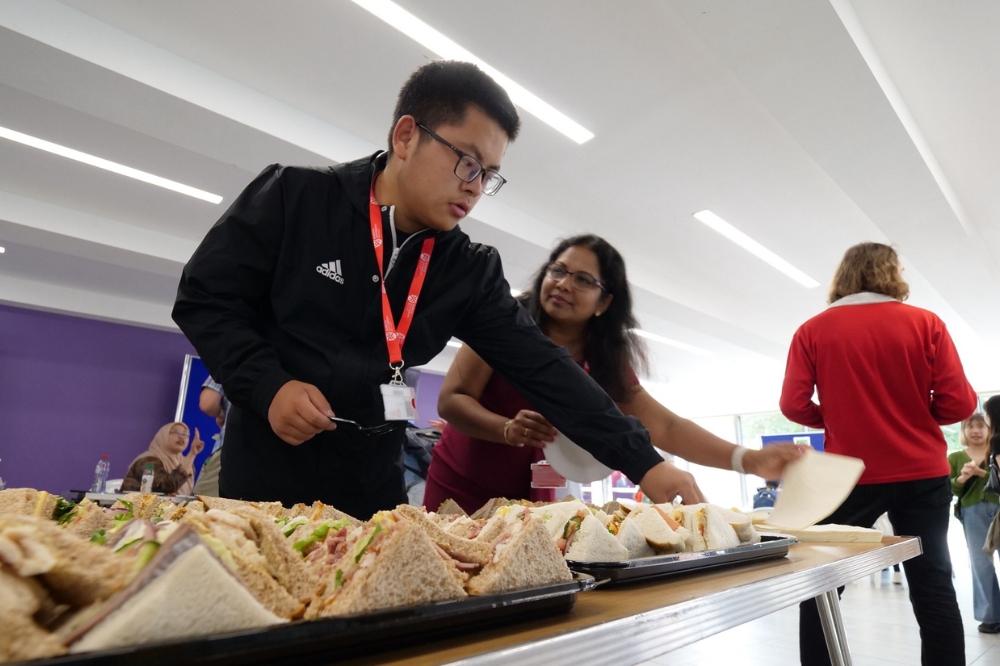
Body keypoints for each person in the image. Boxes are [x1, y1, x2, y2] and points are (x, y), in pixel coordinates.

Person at [172, 60, 697, 519]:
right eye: (467, 161)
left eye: (488, 174)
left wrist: (644, 462)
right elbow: (204, 298)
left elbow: (545, 368)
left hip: (373, 488)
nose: (475, 186)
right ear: (406, 136)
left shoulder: (466, 270)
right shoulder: (295, 199)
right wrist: (268, 386)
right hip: (266, 477)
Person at [423, 234, 805, 513]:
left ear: (605, 301)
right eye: (558, 270)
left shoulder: (603, 360)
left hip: (532, 495)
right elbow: (452, 399)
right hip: (463, 484)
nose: (563, 284)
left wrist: (747, 460)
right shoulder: (506, 323)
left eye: (583, 279)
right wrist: (505, 428)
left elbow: (666, 426)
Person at [779, 241, 976, 666]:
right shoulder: (926, 323)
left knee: (822, 586)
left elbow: (793, 405)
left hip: (849, 476)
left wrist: (835, 419)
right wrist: (918, 416)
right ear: (892, 274)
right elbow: (960, 404)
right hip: (922, 473)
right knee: (933, 585)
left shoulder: (812, 330)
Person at [948, 413, 1000, 633]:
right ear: (964, 431)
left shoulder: (995, 451)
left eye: (981, 426)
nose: (976, 431)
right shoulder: (955, 457)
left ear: (989, 429)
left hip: (998, 509)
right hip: (972, 511)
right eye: (971, 426)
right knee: (980, 563)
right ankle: (990, 617)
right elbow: (951, 489)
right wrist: (962, 478)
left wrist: (981, 473)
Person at [120, 422, 204, 495]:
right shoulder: (148, 460)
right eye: (176, 432)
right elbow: (165, 487)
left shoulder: (186, 462)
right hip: (136, 507)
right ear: (163, 436)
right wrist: (192, 454)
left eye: (185, 434)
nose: (181, 437)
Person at [193, 375, 228, 496]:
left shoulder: (235, 363)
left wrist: (222, 414)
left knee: (204, 503)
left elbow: (208, 403)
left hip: (233, 449)